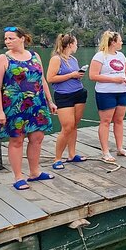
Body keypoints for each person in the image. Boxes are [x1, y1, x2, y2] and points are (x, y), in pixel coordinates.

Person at [0, 26, 57, 190]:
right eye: (5, 38)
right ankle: (18, 177)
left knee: (37, 138)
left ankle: (35, 172)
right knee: (17, 140)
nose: (7, 41)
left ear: (22, 38)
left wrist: (50, 101)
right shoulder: (3, 59)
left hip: (37, 105)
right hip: (14, 107)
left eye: (11, 38)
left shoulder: (35, 56)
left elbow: (41, 80)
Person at [46, 33, 88, 170]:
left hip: (78, 93)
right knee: (67, 127)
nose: (77, 46)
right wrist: (72, 75)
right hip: (64, 96)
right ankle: (57, 158)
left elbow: (73, 75)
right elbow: (50, 78)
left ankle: (72, 154)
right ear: (70, 44)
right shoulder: (56, 59)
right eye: (76, 43)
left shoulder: (73, 59)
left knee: (74, 125)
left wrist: (78, 76)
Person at [89, 30, 126, 163]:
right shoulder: (100, 56)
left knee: (119, 120)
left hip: (123, 91)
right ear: (113, 42)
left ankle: (120, 148)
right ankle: (105, 152)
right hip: (105, 92)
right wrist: (114, 80)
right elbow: (93, 76)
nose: (121, 42)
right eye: (120, 40)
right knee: (106, 121)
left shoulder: (121, 56)